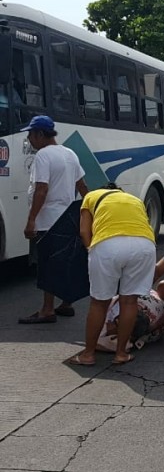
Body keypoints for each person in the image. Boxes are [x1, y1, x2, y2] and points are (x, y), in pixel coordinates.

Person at [68, 183, 156, 366]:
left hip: (108, 244)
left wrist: (92, 250)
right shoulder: (134, 199)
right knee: (129, 301)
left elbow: (84, 231)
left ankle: (88, 355)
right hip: (144, 245)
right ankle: (121, 353)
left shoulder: (92, 196)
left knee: (99, 302)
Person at [18, 115, 89, 324]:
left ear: (40, 134)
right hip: (68, 219)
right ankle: (66, 304)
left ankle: (47, 310)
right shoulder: (70, 153)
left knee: (47, 265)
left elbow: (42, 189)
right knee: (65, 262)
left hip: (48, 220)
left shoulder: (43, 156)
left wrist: (31, 220)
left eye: (30, 135)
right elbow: (82, 186)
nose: (29, 140)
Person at [96, 290, 164, 354]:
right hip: (148, 294)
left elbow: (96, 343)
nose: (110, 323)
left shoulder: (138, 337)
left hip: (152, 301)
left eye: (115, 323)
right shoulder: (120, 307)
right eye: (115, 319)